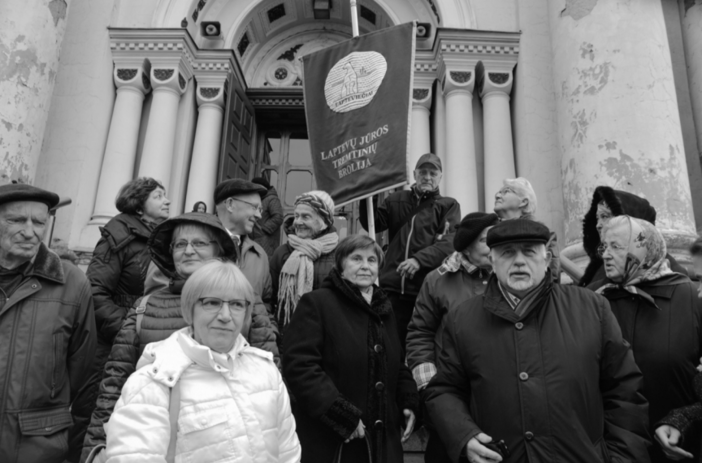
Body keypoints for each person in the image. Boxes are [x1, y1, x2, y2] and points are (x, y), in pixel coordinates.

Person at [424, 219, 650, 463]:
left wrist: (620, 458)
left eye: (529, 251)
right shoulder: (462, 319)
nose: (519, 261)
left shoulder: (592, 308)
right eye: (507, 253)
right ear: (492, 261)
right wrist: (464, 436)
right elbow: (445, 390)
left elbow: (624, 391)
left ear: (546, 258)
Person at [80, 212, 279, 462]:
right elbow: (114, 384)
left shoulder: (246, 301)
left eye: (199, 243)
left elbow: (269, 382)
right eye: (180, 244)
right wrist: (96, 448)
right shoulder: (145, 306)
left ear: (220, 250)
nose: (188, 251)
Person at [102, 261, 301, 462]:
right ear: (190, 311)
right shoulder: (154, 383)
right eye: (212, 303)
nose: (225, 316)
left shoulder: (266, 372)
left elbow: (288, 453)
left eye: (236, 304)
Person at [283, 235, 419, 463]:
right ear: (341, 265)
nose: (365, 266)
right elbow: (300, 367)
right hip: (334, 443)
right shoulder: (317, 303)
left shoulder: (385, 310)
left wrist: (407, 402)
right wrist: (340, 414)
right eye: (356, 258)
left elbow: (397, 364)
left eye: (372, 260)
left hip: (384, 445)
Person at [589, 216, 702, 462]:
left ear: (644, 248)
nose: (605, 255)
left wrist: (682, 421)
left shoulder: (692, 297)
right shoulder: (591, 300)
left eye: (616, 247)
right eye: (603, 247)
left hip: (679, 450)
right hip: (608, 452)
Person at [0, 184, 96, 463]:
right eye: (17, 220)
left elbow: (81, 371)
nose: (30, 232)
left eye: (39, 222)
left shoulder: (73, 283)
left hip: (35, 446)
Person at [406, 212, 498, 463]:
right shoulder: (437, 280)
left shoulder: (507, 276)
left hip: (497, 399)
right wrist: (429, 385)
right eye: (484, 241)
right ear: (466, 247)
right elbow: (419, 333)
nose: (492, 247)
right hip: (450, 398)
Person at [84, 178, 169, 418]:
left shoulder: (158, 237)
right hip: (111, 345)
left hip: (143, 342)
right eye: (159, 196)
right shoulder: (119, 235)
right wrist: (126, 329)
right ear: (139, 205)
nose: (168, 201)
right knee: (98, 413)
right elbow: (95, 291)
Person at [360, 153, 460, 349]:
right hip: (391, 289)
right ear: (415, 174)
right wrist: (366, 197)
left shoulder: (448, 205)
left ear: (440, 177)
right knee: (388, 346)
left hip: (425, 290)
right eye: (423, 172)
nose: (427, 177)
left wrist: (418, 260)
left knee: (420, 346)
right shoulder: (395, 199)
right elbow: (374, 223)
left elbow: (450, 243)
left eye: (433, 173)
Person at [579, 185, 687, 287]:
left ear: (632, 220)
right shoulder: (603, 269)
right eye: (597, 218)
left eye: (605, 216)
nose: (598, 225)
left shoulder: (674, 275)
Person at [269, 190, 339, 341]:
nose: (298, 222)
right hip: (287, 337)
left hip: (329, 338)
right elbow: (270, 299)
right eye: (296, 216)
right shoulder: (281, 253)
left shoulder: (341, 255)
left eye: (305, 216)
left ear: (324, 221)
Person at [214, 179, 274, 322]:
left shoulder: (260, 255)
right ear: (230, 204)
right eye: (254, 207)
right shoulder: (195, 246)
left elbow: (266, 305)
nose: (259, 216)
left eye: (260, 210)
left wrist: (267, 336)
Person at [493, 177, 561, 282]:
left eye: (506, 191)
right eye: (498, 192)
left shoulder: (544, 236)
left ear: (523, 202)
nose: (497, 196)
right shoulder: (488, 234)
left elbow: (551, 278)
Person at [250, 176, 284, 256]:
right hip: (254, 241)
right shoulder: (258, 200)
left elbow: (278, 217)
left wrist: (263, 230)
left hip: (267, 243)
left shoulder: (272, 199)